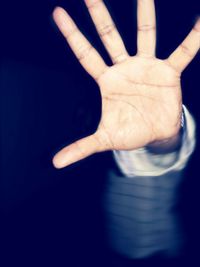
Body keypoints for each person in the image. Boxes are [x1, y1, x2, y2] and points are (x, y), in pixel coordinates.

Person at [52, 0, 199, 266]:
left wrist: (165, 139)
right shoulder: (133, 87)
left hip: (156, 245)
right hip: (116, 235)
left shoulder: (170, 91)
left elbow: (166, 157)